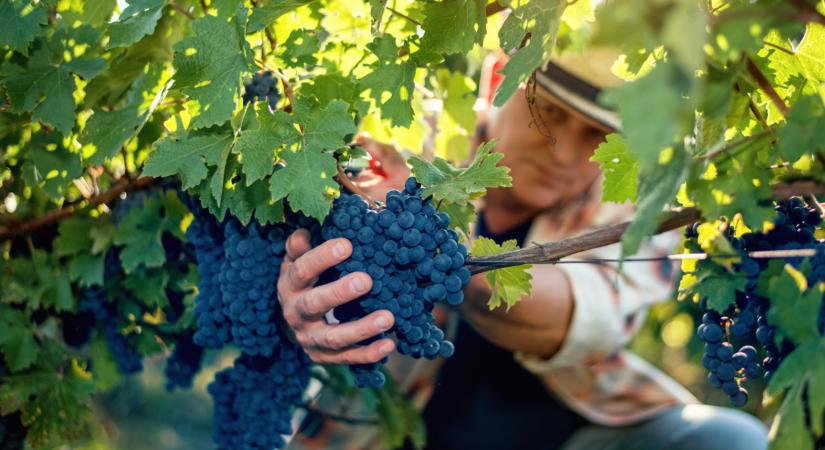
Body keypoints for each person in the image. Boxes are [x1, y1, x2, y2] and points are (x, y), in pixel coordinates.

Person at [276, 45, 769, 450]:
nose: (566, 152)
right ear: (497, 82)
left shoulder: (640, 208)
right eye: (548, 112)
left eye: (599, 133)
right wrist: (304, 287)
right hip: (381, 435)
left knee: (728, 440)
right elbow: (310, 246)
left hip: (571, 435)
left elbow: (576, 323)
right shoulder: (405, 144)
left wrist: (430, 237)